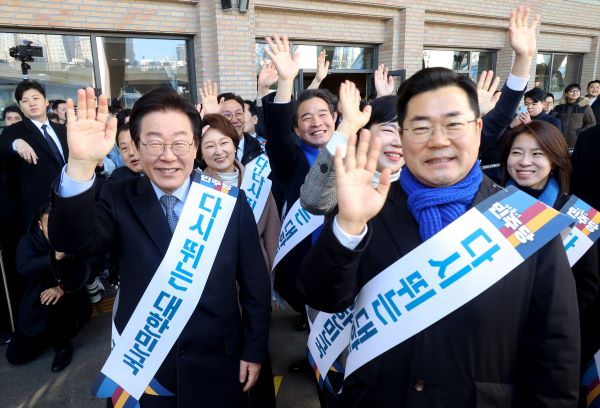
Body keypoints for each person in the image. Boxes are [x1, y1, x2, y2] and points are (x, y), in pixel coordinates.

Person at [297, 64, 580, 406]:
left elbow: (555, 354)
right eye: (420, 126)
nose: (438, 140)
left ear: (478, 129)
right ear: (401, 136)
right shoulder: (370, 205)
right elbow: (322, 297)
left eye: (453, 124)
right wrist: (348, 226)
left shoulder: (524, 221)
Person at [48, 87, 271, 407]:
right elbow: (74, 245)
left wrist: (253, 349)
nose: (168, 155)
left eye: (180, 142)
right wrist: (80, 167)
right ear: (137, 146)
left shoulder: (228, 203)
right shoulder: (117, 196)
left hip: (219, 364)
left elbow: (255, 287)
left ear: (195, 146)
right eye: (154, 142)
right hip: (143, 369)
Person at [6, 203, 91, 372]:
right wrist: (53, 257)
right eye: (47, 226)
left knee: (51, 300)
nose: (53, 231)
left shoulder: (73, 237)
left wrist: (62, 288)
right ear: (40, 225)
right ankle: (47, 336)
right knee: (15, 356)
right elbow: (24, 267)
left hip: (67, 300)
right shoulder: (29, 240)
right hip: (34, 305)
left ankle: (62, 347)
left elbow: (88, 266)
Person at [301, 83, 403, 215]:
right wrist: (348, 125)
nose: (398, 142)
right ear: (362, 133)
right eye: (388, 130)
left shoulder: (421, 184)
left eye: (405, 132)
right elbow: (313, 201)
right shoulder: (344, 180)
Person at [199, 113, 280, 271]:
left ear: (235, 145)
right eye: (209, 146)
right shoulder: (196, 187)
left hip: (257, 273)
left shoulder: (259, 184)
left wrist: (270, 278)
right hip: (214, 277)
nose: (219, 151)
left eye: (224, 143)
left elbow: (273, 237)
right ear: (200, 153)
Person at [0, 80, 69, 231]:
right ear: (21, 107)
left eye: (35, 98)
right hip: (38, 208)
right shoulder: (14, 132)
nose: (31, 103)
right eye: (25, 101)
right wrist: (15, 144)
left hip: (69, 201)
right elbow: (2, 149)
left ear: (45, 102)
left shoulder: (62, 130)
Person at [200, 86, 264, 166]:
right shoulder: (208, 149)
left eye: (239, 114)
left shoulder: (261, 147)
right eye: (227, 115)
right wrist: (211, 117)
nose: (234, 120)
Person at [551, 83, 596, 148]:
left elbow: (592, 123)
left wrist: (580, 131)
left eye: (577, 91)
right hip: (558, 141)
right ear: (566, 94)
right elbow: (551, 120)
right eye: (571, 91)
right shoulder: (559, 107)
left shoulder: (584, 107)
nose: (574, 93)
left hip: (576, 142)